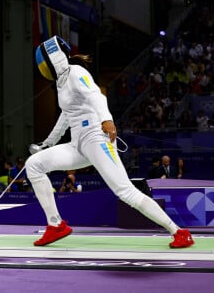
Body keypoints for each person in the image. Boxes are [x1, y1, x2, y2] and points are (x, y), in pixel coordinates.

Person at [26, 36, 194, 248]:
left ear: (55, 59)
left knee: (125, 191)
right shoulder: (61, 84)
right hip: (77, 145)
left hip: (96, 138)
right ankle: (56, 225)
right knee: (34, 165)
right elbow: (66, 117)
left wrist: (107, 119)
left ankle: (179, 232)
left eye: (44, 63)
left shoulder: (77, 73)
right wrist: (48, 143)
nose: (43, 68)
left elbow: (97, 96)